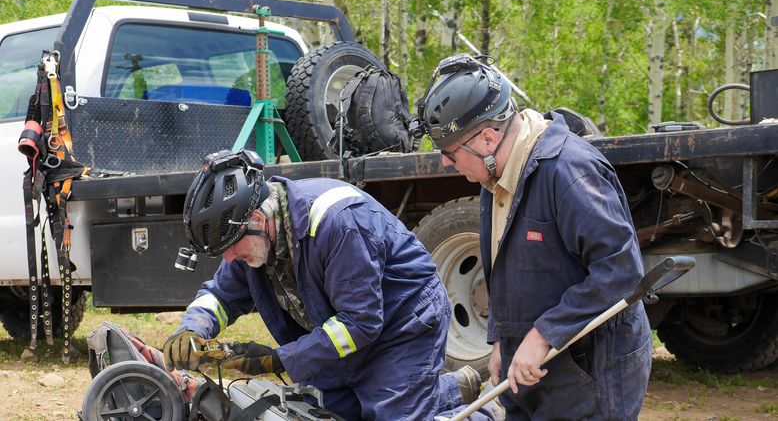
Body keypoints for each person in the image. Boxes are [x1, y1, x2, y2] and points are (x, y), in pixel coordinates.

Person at [162, 149, 481, 420]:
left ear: (258, 221)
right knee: (327, 415)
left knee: (391, 410)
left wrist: (278, 360)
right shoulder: (252, 240)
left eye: (231, 246)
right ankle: (443, 392)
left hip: (401, 327)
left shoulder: (337, 223)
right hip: (338, 330)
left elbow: (360, 322)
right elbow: (220, 295)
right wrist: (191, 330)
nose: (229, 258)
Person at [415, 54, 652, 420]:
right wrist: (500, 339)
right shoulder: (493, 177)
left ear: (489, 138)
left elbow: (620, 271)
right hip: (530, 367)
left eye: (449, 152)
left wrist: (543, 335)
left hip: (590, 371)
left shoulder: (569, 172)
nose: (446, 163)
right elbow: (505, 268)